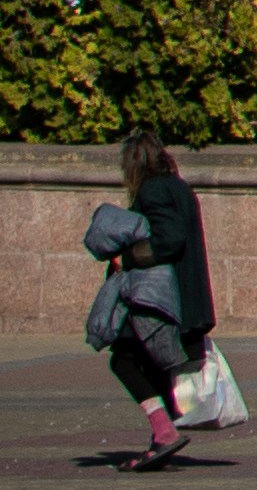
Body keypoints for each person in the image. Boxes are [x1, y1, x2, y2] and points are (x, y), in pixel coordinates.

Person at [88, 134, 210, 461]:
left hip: (158, 300)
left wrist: (125, 259)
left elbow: (168, 240)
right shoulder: (180, 188)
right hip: (180, 297)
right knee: (152, 365)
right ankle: (163, 437)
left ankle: (165, 432)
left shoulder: (153, 190)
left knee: (123, 360)